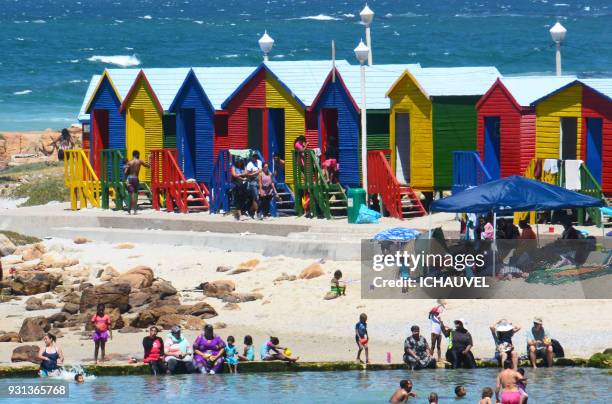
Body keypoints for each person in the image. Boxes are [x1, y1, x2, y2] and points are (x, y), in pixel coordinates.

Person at [123, 150, 149, 215]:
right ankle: (134, 210)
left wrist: (126, 168)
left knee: (131, 195)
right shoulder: (139, 161)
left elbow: (125, 172)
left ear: (133, 155)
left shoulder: (129, 162)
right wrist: (149, 158)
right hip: (136, 178)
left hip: (129, 179)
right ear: (137, 155)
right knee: (134, 194)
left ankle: (129, 209)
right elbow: (148, 166)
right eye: (139, 154)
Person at [245, 152, 262, 218]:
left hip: (259, 181)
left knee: (257, 198)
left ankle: (250, 211)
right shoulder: (249, 164)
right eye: (254, 156)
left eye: (256, 156)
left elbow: (260, 170)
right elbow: (247, 173)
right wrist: (255, 173)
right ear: (251, 157)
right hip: (253, 182)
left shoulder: (259, 162)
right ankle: (258, 213)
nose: (255, 157)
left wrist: (253, 173)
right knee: (256, 197)